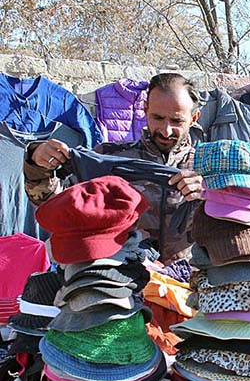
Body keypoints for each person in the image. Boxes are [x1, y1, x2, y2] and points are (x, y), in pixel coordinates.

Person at [23, 72, 204, 264]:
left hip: (188, 287)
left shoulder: (210, 169)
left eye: (176, 121)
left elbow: (232, 232)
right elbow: (55, 206)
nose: (166, 130)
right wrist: (38, 165)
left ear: (194, 118)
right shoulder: (109, 158)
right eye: (157, 118)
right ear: (145, 109)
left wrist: (210, 194)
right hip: (117, 283)